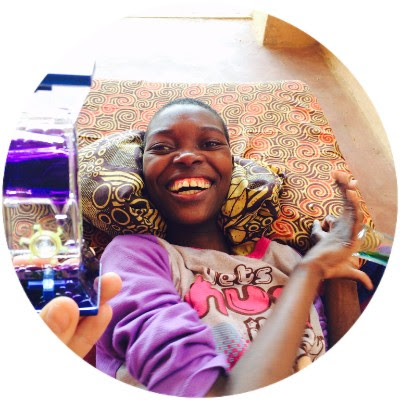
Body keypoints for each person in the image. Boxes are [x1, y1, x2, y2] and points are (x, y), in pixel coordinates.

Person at [94, 98, 373, 397]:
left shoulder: (284, 258)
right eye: (162, 147)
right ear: (140, 171)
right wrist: (312, 270)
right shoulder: (133, 255)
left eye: (210, 143)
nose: (187, 156)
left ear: (232, 166)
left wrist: (338, 270)